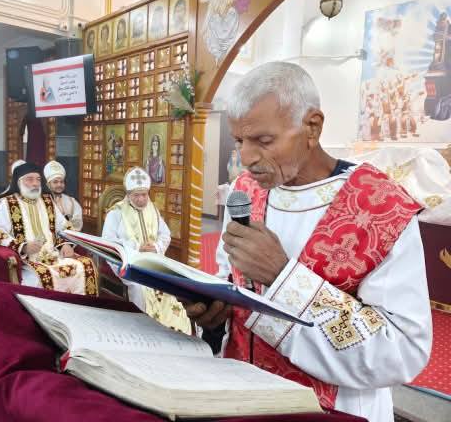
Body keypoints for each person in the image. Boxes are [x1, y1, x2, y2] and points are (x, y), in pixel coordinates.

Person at [183, 62, 432, 422]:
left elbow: (404, 352)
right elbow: (231, 280)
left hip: (333, 409)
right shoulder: (245, 191)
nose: (246, 158)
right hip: (240, 394)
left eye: (264, 141)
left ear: (312, 127)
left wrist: (282, 276)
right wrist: (214, 313)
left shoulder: (381, 206)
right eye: (239, 141)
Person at [102, 167, 190, 333]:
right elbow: (109, 242)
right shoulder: (116, 213)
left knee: (169, 279)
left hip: (153, 260)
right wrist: (137, 248)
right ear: (128, 194)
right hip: (128, 262)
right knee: (140, 287)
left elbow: (165, 234)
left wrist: (156, 247)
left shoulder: (153, 210)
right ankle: (142, 327)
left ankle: (170, 326)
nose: (142, 199)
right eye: (137, 195)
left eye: (144, 194)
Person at [0, 162, 97, 295]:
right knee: (39, 278)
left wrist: (66, 244)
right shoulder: (8, 203)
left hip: (55, 254)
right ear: (19, 182)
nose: (35, 183)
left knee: (86, 265)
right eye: (30, 179)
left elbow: (64, 226)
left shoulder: (47, 201)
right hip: (28, 261)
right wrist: (23, 247)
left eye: (38, 179)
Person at [43, 160, 83, 231]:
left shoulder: (72, 201)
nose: (59, 185)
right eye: (55, 182)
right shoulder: (42, 202)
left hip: (68, 236)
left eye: (61, 182)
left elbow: (77, 223)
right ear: (48, 185)